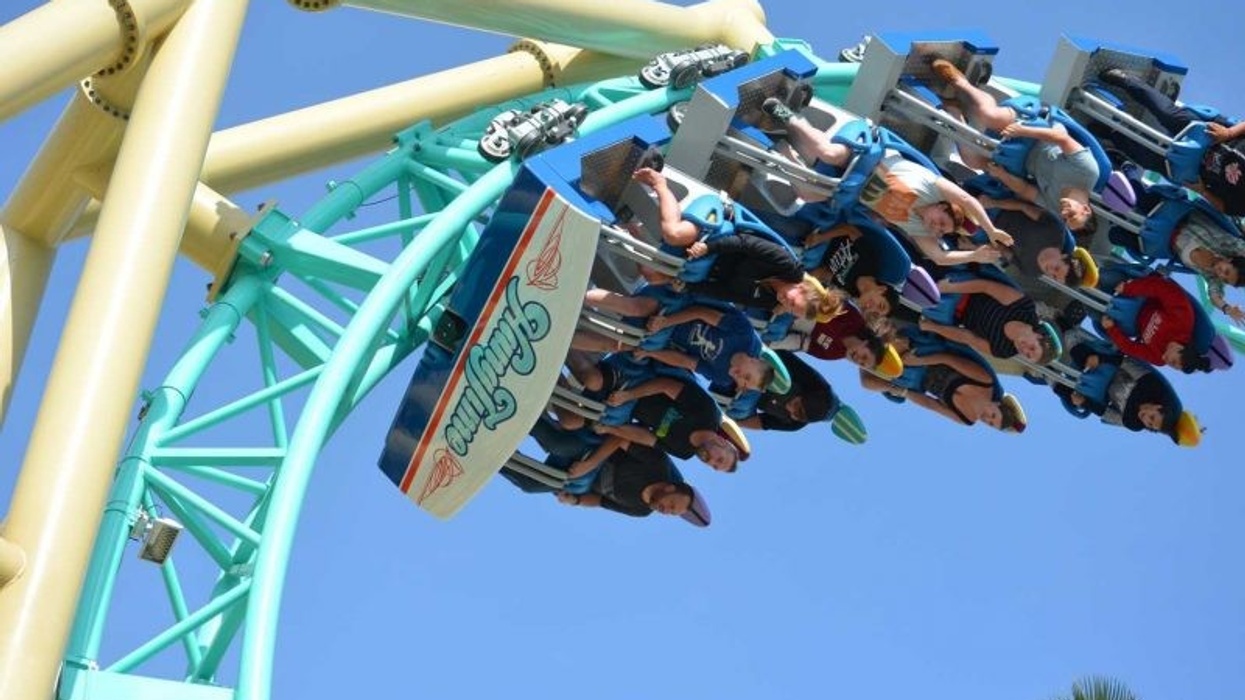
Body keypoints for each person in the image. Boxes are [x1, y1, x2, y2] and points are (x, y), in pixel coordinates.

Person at [759, 98, 1013, 267]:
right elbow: (968, 199)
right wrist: (991, 230)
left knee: (808, 195)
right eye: (943, 222)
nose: (938, 228)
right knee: (830, 154)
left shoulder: (917, 227)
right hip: (863, 151)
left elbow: (939, 256)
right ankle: (787, 116)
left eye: (942, 232)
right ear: (944, 205)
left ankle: (780, 149)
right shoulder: (933, 187)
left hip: (849, 185)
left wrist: (975, 256)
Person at [930, 59, 1101, 237]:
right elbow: (1062, 139)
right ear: (1085, 210)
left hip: (1022, 160)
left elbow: (1026, 191)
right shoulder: (1087, 173)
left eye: (1066, 220)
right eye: (1072, 215)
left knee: (971, 160)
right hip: (1039, 128)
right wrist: (1023, 130)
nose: (1065, 214)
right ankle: (960, 82)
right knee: (990, 116)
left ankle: (955, 111)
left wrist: (1003, 175)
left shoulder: (1055, 206)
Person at [556, 355, 741, 476]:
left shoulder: (684, 452)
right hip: (638, 378)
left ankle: (551, 371)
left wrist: (611, 428)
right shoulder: (708, 415)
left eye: (715, 467)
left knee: (571, 421)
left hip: (623, 407)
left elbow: (646, 437)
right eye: (720, 459)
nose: (712, 463)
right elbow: (665, 385)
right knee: (593, 380)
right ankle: (564, 341)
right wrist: (629, 395)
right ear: (723, 443)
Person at [574, 288, 782, 394]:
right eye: (747, 376)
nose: (740, 379)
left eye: (744, 383)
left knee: (618, 345)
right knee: (637, 308)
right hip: (677, 306)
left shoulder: (722, 377)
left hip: (664, 334)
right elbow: (700, 312)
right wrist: (666, 322)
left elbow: (685, 361)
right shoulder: (743, 334)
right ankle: (578, 295)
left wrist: (650, 352)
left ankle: (568, 339)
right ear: (754, 360)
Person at [1096, 68, 1245, 216]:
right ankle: (1126, 80)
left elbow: (1224, 207)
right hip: (1214, 137)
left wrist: (1202, 191)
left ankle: (1112, 133)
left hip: (1197, 170)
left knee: (1149, 160)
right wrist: (1228, 133)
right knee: (1167, 114)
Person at [1054, 330, 1199, 446]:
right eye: (1152, 417)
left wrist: (1084, 402)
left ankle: (1047, 371)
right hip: (1112, 367)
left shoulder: (1133, 423)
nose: (1146, 419)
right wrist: (1101, 360)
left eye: (1149, 424)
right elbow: (1126, 363)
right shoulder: (1151, 386)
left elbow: (1106, 413)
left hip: (1103, 392)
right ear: (1157, 406)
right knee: (1082, 357)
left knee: (1066, 394)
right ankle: (1063, 325)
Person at [860, 348, 1027, 432]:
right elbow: (948, 358)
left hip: (917, 381)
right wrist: (918, 361)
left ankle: (862, 350)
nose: (987, 419)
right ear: (997, 404)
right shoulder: (985, 382)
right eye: (993, 416)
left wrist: (902, 392)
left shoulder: (967, 419)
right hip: (926, 356)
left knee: (868, 382)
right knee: (894, 347)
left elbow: (933, 405)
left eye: (990, 424)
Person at [918, 275, 1061, 364]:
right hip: (963, 288)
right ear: (1038, 335)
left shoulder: (1004, 351)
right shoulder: (1024, 309)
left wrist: (933, 327)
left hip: (953, 313)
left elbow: (968, 338)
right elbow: (986, 286)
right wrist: (948, 288)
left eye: (1028, 355)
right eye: (1032, 348)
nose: (1025, 351)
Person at [1100, 273, 1209, 372]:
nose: (1168, 363)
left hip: (1132, 324)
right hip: (1142, 297)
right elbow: (1163, 289)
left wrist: (1111, 329)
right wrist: (1129, 288)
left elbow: (1131, 349)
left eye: (1173, 366)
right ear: (1180, 349)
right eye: (1174, 362)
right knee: (1106, 278)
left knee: (1096, 313)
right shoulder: (1183, 321)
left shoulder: (1158, 359)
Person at [769, 300, 905, 378]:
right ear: (866, 343)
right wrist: (792, 307)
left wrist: (769, 343)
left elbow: (800, 343)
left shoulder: (833, 354)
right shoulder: (854, 319)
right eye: (864, 357)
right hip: (794, 302)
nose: (858, 360)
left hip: (782, 324)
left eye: (861, 364)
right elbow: (822, 298)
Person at [735, 350, 836, 432]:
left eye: (794, 414)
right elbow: (779, 354)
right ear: (804, 395)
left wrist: (733, 422)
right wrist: (751, 379)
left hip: (748, 398)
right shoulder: (811, 380)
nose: (789, 407)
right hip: (759, 367)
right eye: (795, 404)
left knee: (741, 413)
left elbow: (761, 422)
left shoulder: (794, 424)